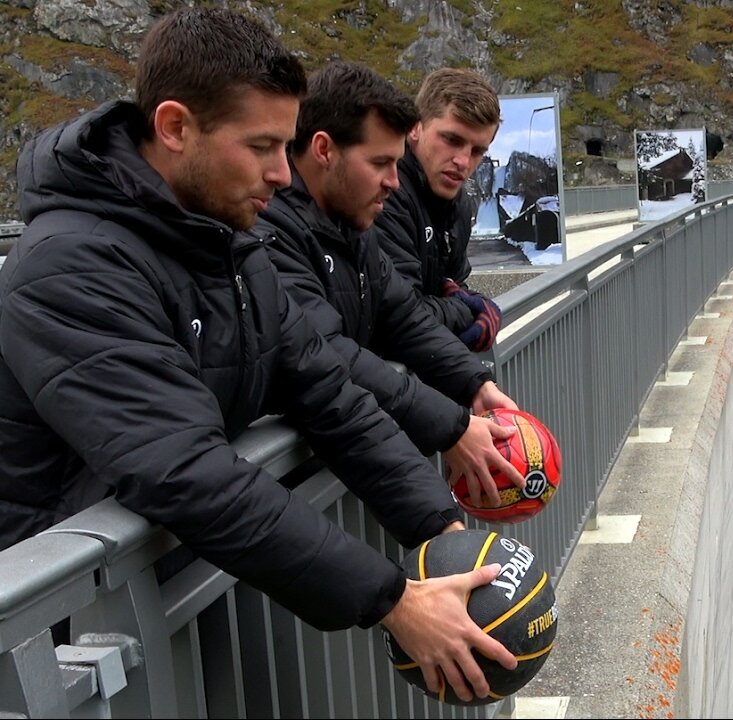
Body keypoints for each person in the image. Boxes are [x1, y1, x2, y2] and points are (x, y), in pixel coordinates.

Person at [0, 8, 511, 701]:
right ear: (177, 127)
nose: (281, 173)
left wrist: (448, 536)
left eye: (287, 145)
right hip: (64, 652)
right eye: (263, 146)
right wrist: (393, 600)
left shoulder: (229, 247)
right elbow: (184, 470)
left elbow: (331, 397)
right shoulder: (70, 268)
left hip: (162, 603)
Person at [254, 60, 522, 507]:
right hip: (276, 480)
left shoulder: (350, 222)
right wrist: (451, 426)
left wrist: (476, 384)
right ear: (323, 150)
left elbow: (403, 315)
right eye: (381, 162)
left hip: (324, 464)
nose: (393, 182)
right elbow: (329, 350)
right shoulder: (272, 228)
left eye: (476, 150)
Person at [373, 68, 504, 353]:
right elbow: (402, 316)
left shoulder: (458, 205)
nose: (463, 161)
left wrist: (463, 302)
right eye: (452, 140)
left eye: (477, 151)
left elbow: (453, 285)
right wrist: (472, 309)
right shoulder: (384, 195)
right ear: (415, 127)